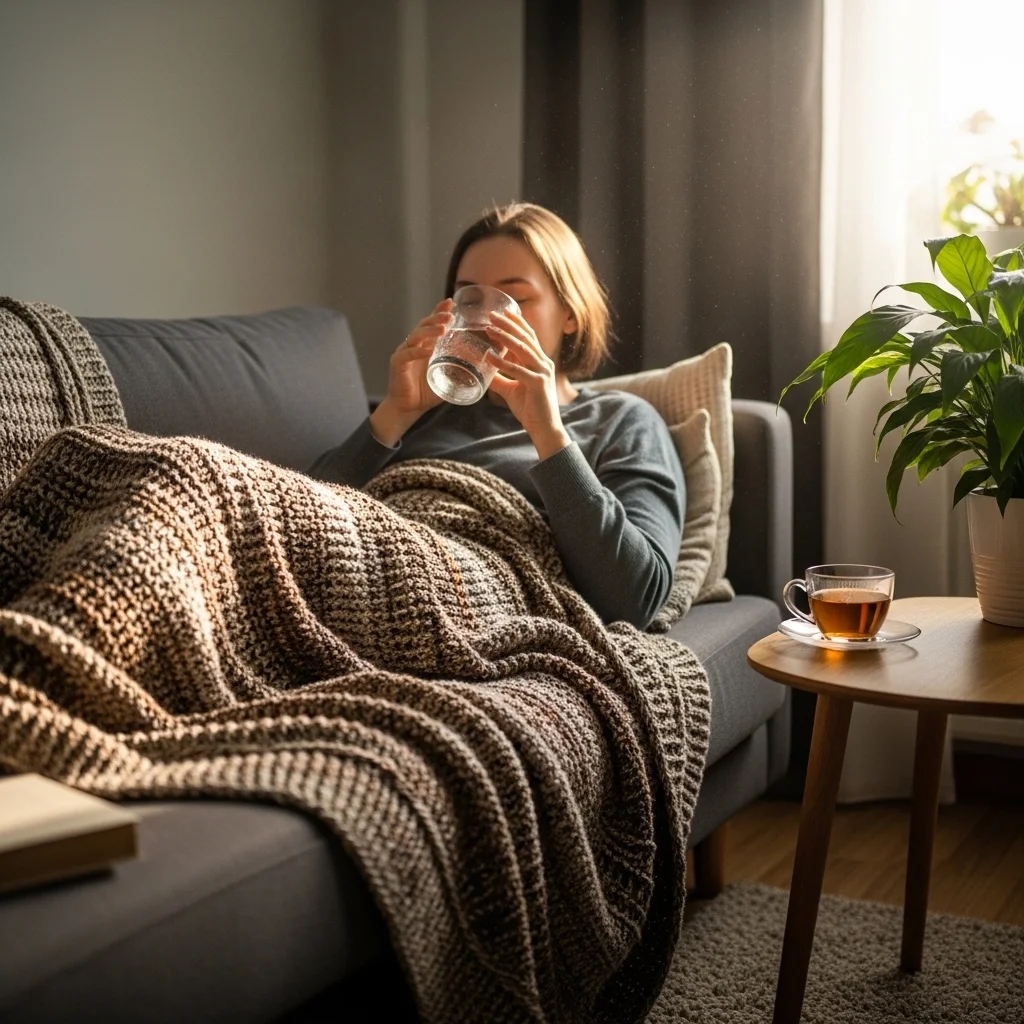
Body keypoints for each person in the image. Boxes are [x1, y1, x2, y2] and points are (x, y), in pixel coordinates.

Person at [309, 202, 685, 630]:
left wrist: (548, 435)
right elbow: (307, 529)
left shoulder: (621, 421)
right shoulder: (422, 412)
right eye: (468, 297)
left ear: (569, 313)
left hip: (467, 604)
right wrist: (394, 414)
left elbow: (637, 598)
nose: (484, 321)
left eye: (516, 299)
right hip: (364, 586)